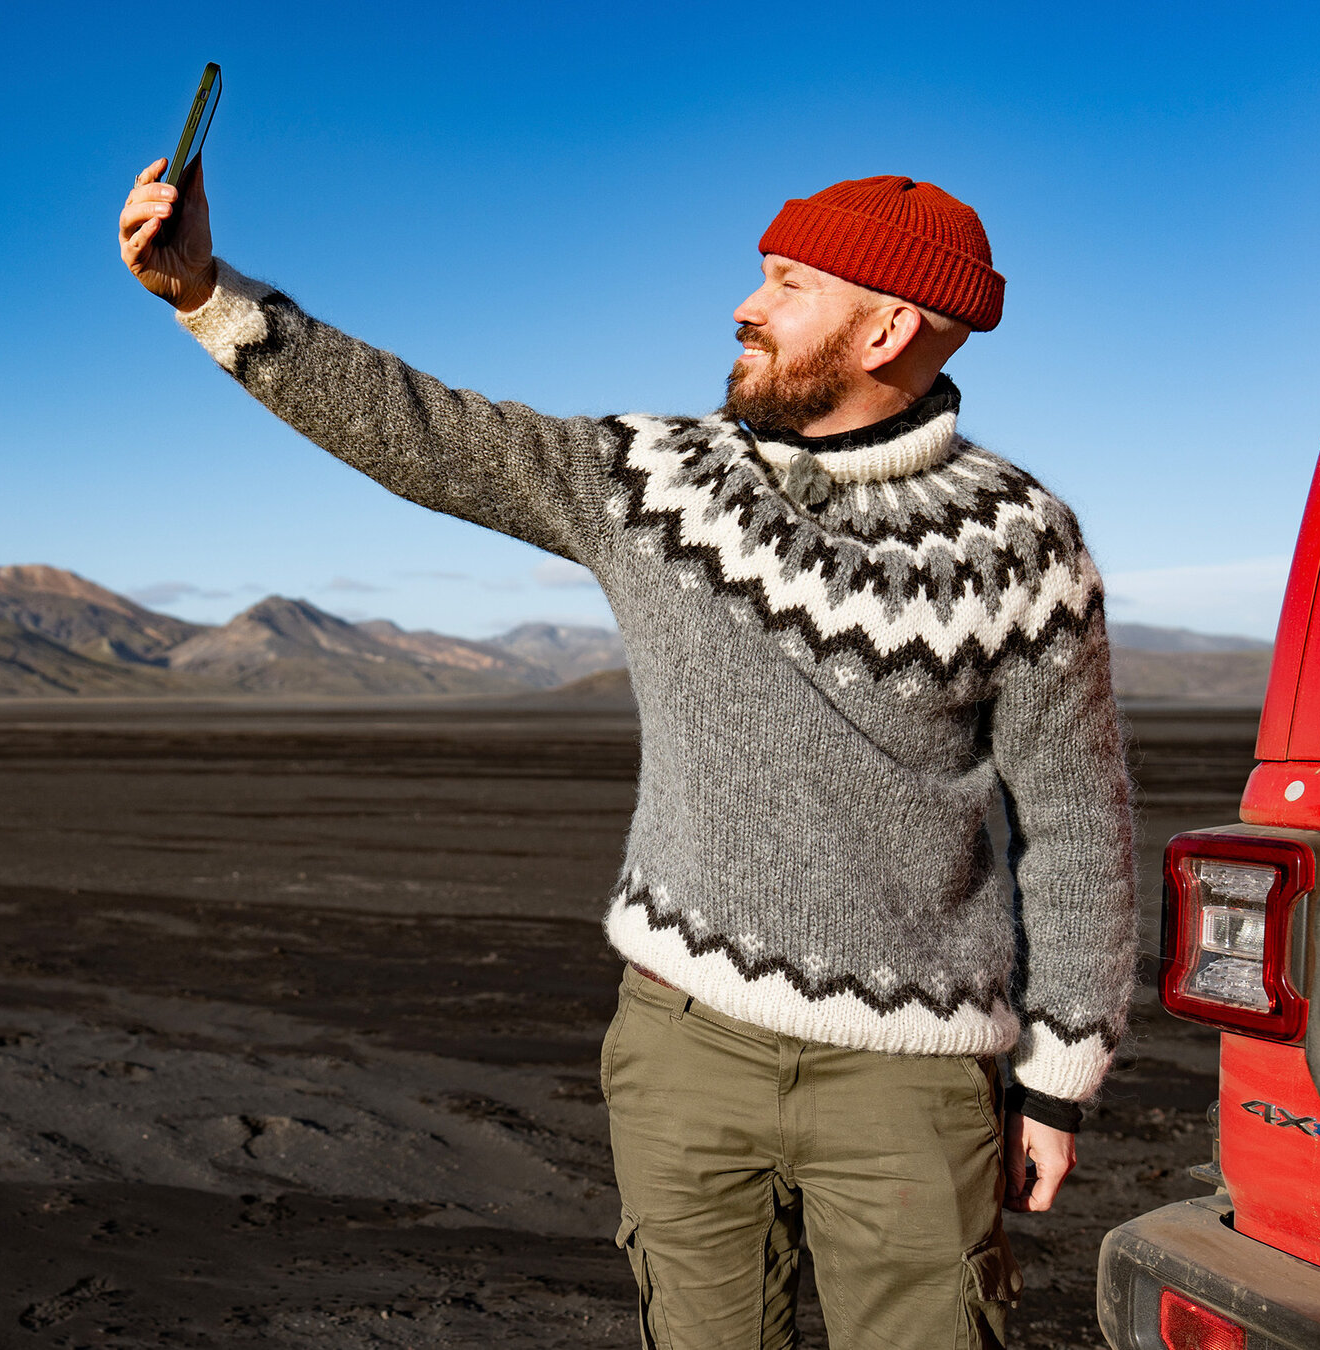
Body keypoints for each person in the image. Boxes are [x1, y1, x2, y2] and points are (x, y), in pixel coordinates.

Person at [118, 157, 1133, 1349]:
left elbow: (1076, 823)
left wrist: (1058, 1081)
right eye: (761, 275)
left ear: (888, 327)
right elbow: (427, 433)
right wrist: (208, 298)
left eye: (790, 284)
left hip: (910, 1087)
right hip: (683, 1051)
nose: (747, 305)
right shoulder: (658, 485)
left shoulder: (1021, 545)